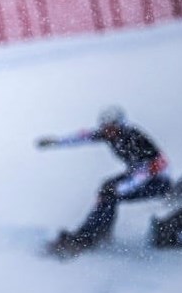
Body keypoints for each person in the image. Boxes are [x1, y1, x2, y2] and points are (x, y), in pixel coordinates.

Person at [36, 106, 171, 257]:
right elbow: (83, 136)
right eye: (105, 128)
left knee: (110, 193)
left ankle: (87, 238)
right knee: (107, 189)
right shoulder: (110, 135)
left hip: (158, 182)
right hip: (139, 176)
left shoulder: (135, 138)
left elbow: (151, 169)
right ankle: (99, 234)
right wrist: (57, 142)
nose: (107, 132)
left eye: (111, 128)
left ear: (120, 125)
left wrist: (122, 188)